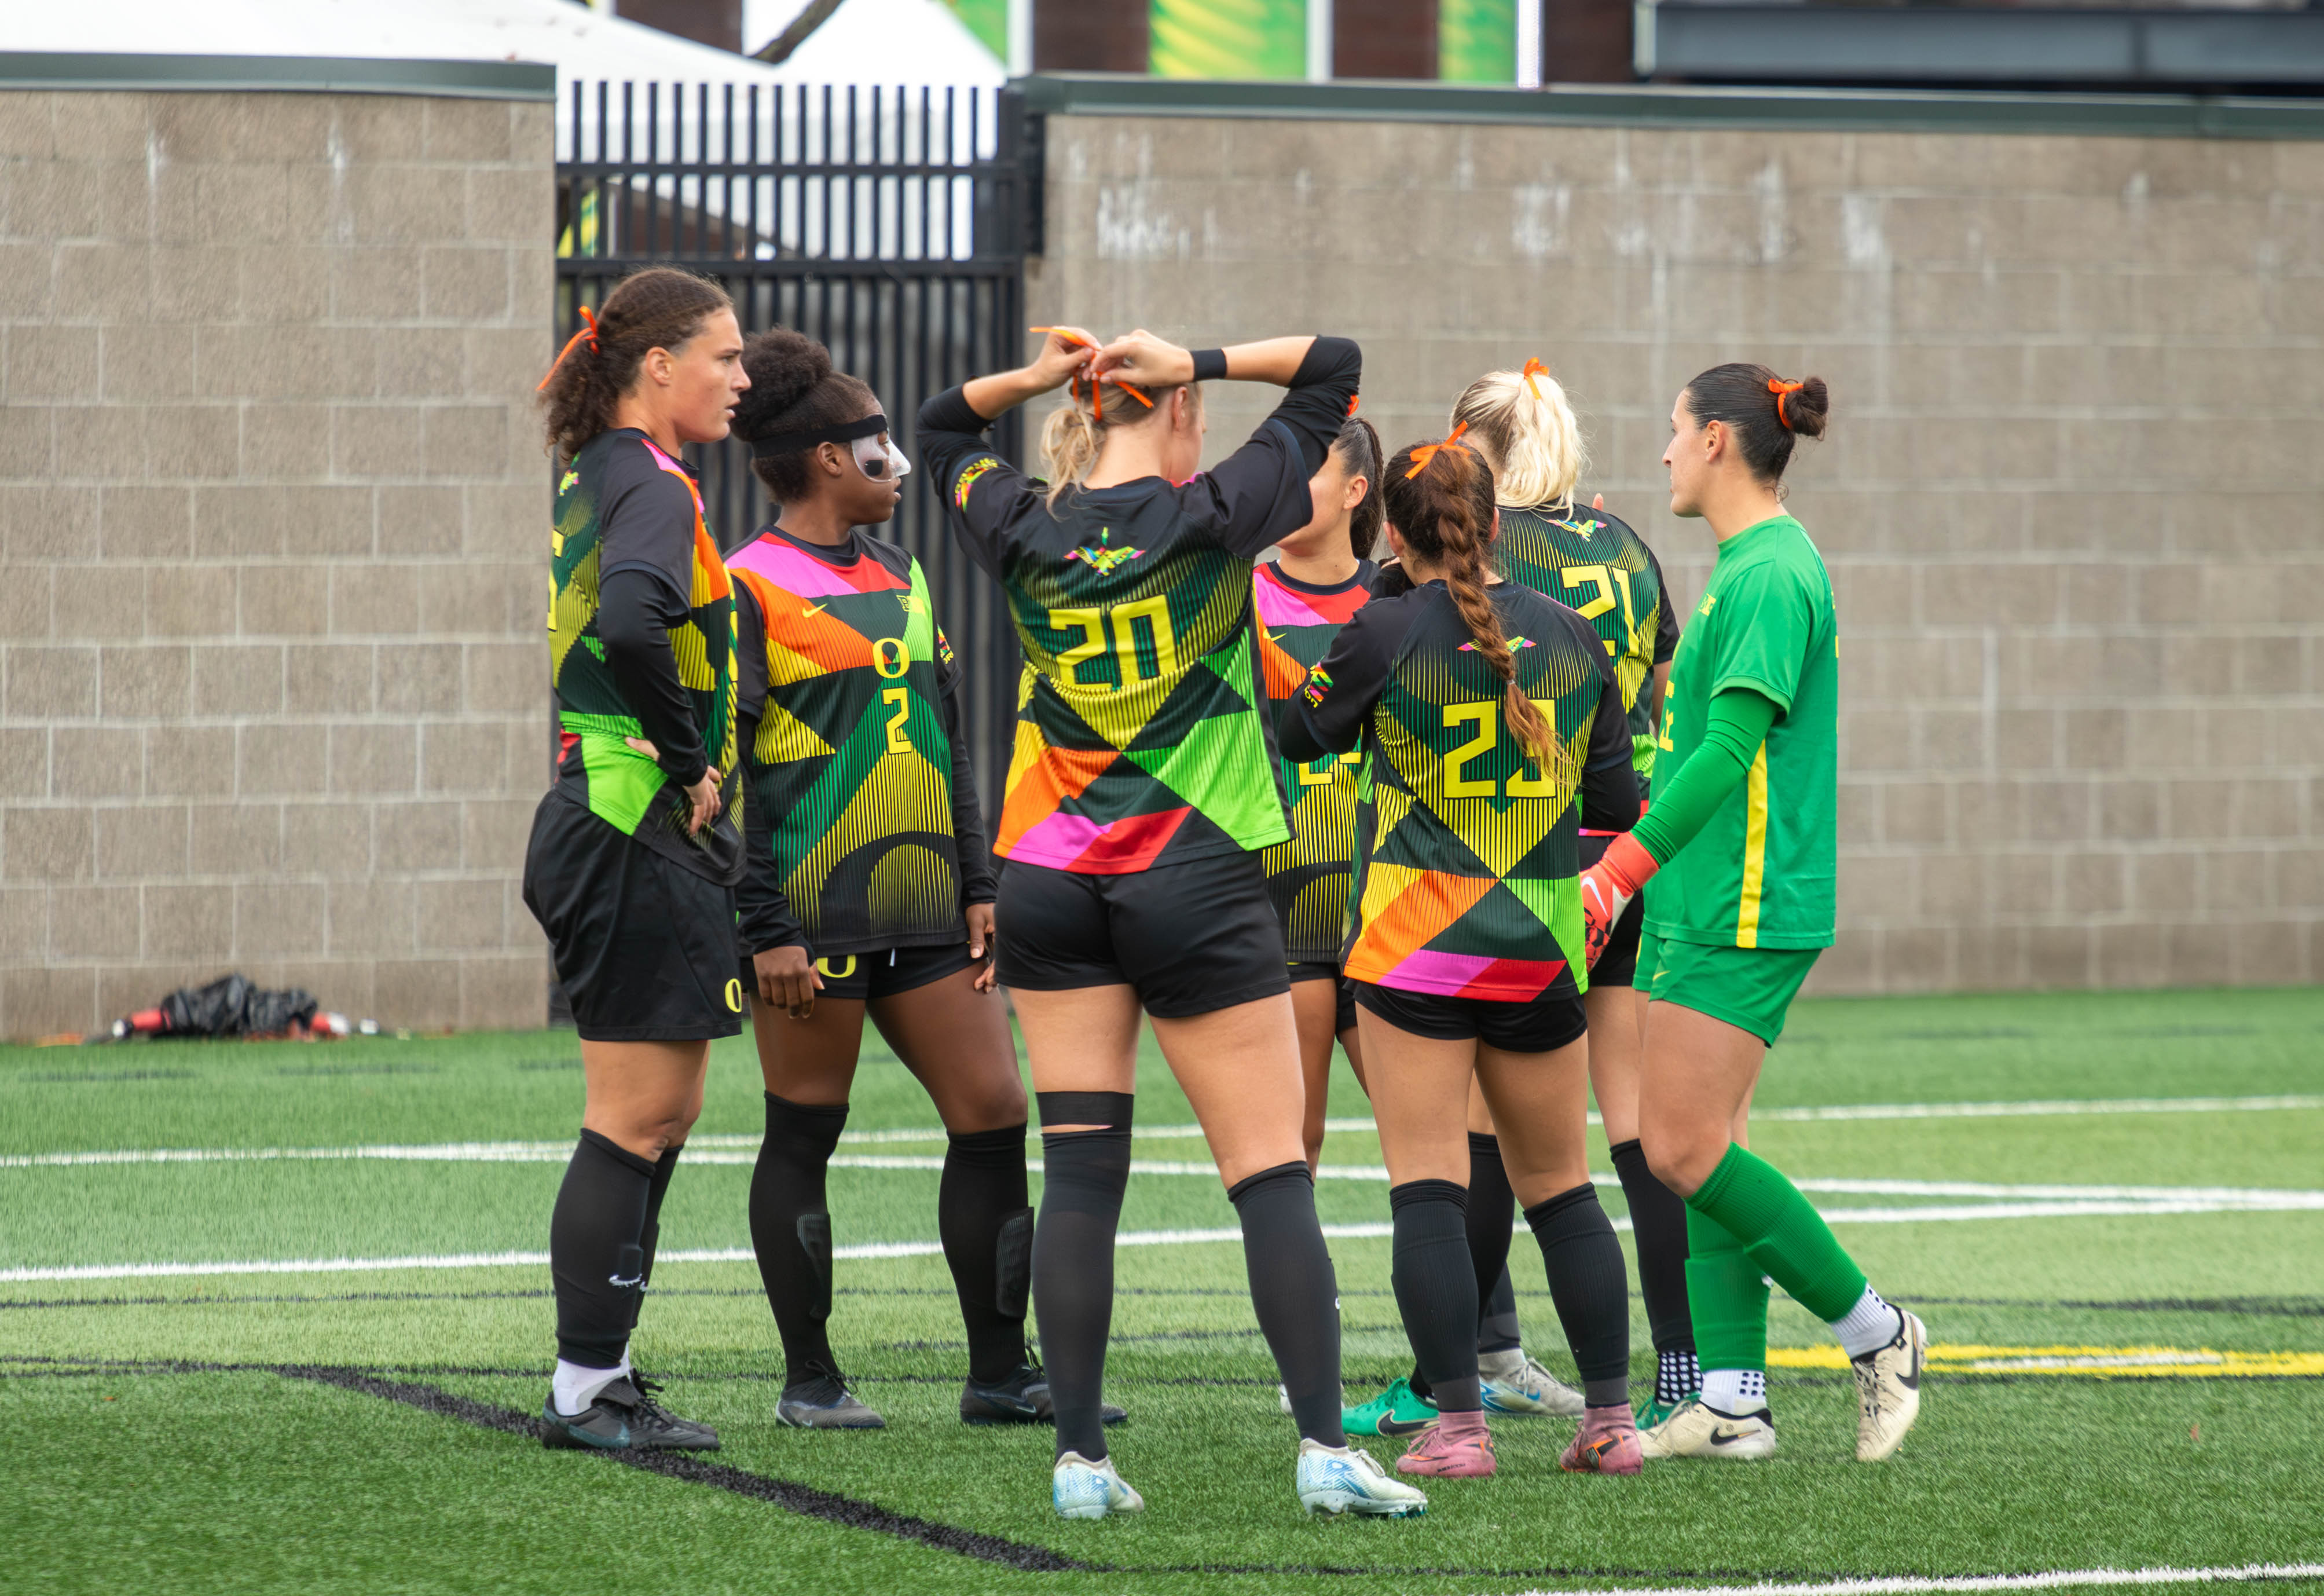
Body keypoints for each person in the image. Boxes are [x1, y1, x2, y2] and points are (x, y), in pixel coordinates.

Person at [919, 325, 1426, 1520]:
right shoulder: (1213, 511)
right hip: (1189, 872)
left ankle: (1082, 1459)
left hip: (1049, 875)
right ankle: (1320, 1446)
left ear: (1093, 413)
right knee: (1266, 1171)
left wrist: (1046, 378)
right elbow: (1338, 366)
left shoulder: (1023, 520)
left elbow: (940, 426)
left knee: (1083, 1168)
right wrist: (1195, 350)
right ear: (1184, 415)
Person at [1283, 429, 1646, 1480]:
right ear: (1496, 527)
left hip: (1412, 953)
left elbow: (1297, 736)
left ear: (1389, 534)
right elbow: (1617, 809)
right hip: (1539, 950)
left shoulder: (1379, 628)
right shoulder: (1574, 638)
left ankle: (1458, 1431)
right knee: (1562, 1189)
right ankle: (1612, 1424)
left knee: (1429, 1190)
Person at [1578, 365, 1926, 1463]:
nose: (1665, 452)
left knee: (1676, 1149)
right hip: (1702, 901)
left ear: (1719, 441)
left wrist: (1615, 872)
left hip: (1745, 903)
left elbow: (1728, 754)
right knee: (1706, 1145)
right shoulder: (1743, 568)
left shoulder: (1774, 572)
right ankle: (1731, 1402)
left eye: (1675, 432)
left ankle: (1879, 1332)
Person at [722, 327, 1067, 1432]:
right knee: (805, 1134)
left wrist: (980, 882)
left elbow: (947, 734)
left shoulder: (904, 571)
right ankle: (811, 1382)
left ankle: (998, 1374)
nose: (896, 461)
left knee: (992, 1112)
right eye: (878, 443)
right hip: (808, 922)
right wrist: (763, 925)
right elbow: (723, 777)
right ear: (827, 458)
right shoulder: (744, 588)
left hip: (927, 911)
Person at [1450, 360, 1698, 1437]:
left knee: (1479, 1126)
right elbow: (1660, 679)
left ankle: (1456, 1372)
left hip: (1527, 856)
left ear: (1473, 444)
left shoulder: (1477, 544)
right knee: (1640, 1128)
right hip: (1631, 848)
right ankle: (1681, 1372)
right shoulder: (1626, 543)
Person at [525, 268, 749, 1451]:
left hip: (608, 820)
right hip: (625, 824)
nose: (742, 377)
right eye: (725, 355)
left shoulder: (609, 473)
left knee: (660, 1112)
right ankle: (582, 1388)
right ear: (656, 366)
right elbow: (627, 619)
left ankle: (600, 1372)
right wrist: (687, 763)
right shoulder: (652, 485)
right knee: (635, 1114)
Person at [1253, 411, 1383, 1168]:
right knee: (1290, 1146)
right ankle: (1309, 1295)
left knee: (1446, 1145)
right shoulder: (1240, 600)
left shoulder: (1395, 603)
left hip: (1383, 923)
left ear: (1353, 491)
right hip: (1279, 923)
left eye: (1304, 469)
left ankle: (1479, 1295)